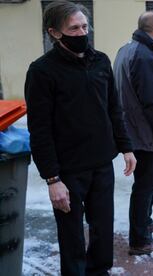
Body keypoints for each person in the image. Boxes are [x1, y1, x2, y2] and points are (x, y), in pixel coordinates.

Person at [24, 1, 136, 275]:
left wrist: (126, 147)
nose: (82, 33)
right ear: (54, 33)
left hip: (101, 164)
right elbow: (39, 129)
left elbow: (113, 108)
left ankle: (99, 271)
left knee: (102, 230)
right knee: (71, 237)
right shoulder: (41, 71)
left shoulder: (100, 61)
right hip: (68, 170)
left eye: (84, 26)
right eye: (73, 28)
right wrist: (52, 179)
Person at [113, 11, 153, 256]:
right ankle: (140, 239)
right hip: (143, 132)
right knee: (144, 184)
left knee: (152, 174)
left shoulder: (127, 50)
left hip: (133, 129)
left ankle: (145, 222)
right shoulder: (145, 56)